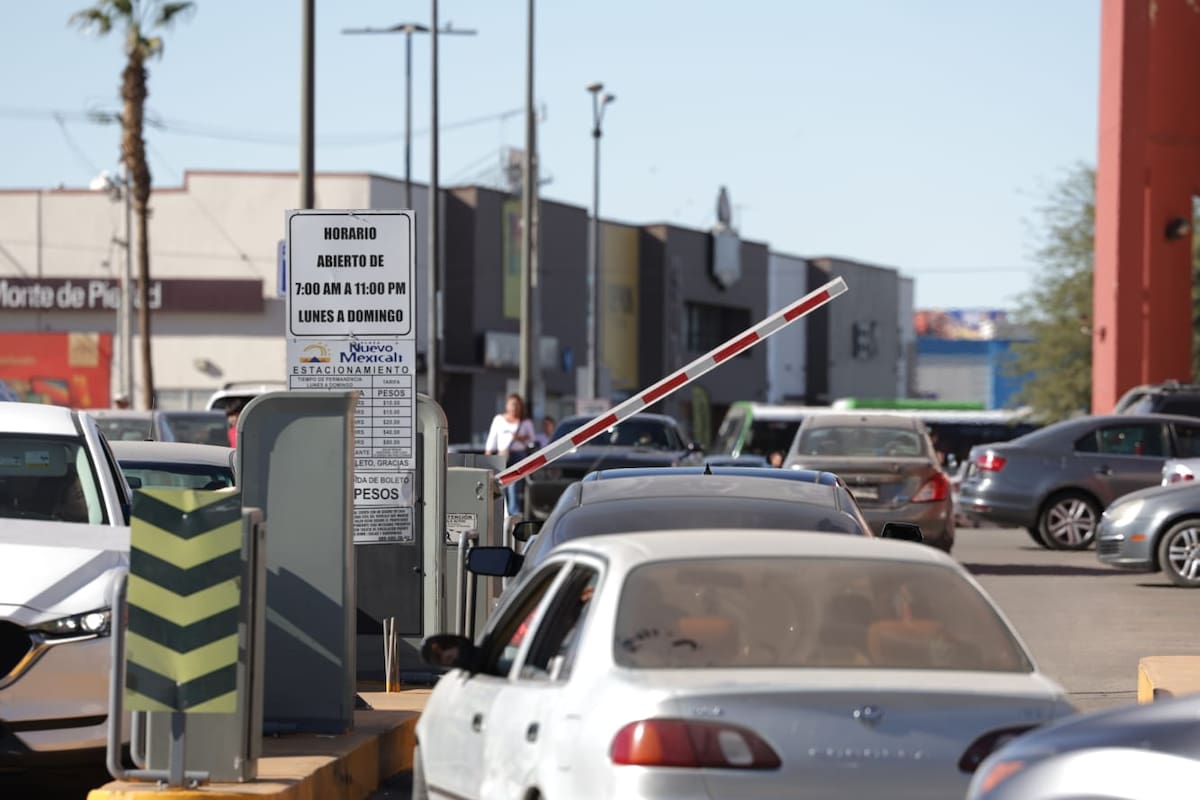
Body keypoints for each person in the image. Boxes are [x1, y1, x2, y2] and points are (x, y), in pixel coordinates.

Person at [485, 394, 536, 516]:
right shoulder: (499, 419)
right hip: (503, 455)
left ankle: (514, 513)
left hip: (519, 455)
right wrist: (488, 453)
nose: (514, 407)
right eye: (512, 404)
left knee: (514, 485)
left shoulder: (525, 423)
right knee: (500, 484)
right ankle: (501, 513)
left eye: (517, 405)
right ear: (507, 405)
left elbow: (532, 440)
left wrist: (519, 438)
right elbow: (492, 437)